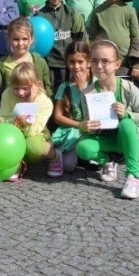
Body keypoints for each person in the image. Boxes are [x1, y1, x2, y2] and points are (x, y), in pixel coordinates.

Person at [76, 40, 139, 200]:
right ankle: (109, 161)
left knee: (127, 124)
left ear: (117, 64)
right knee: (83, 147)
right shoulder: (88, 93)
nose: (99, 66)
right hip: (105, 139)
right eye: (94, 61)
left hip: (128, 138)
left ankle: (133, 177)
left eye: (105, 61)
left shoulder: (128, 88)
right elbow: (88, 123)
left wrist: (127, 114)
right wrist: (84, 125)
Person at [0, 62, 58, 180]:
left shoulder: (45, 102)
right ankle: (16, 162)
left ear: (37, 85)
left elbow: (34, 131)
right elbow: (1, 120)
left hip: (36, 134)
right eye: (16, 88)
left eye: (25, 88)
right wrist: (16, 120)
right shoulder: (7, 94)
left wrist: (30, 103)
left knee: (34, 147)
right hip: (13, 133)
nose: (20, 92)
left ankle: (55, 157)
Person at [86, 0, 139, 80]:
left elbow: (136, 39)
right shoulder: (97, 11)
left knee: (123, 87)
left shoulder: (129, 11)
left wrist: (137, 64)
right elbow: (92, 38)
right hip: (103, 62)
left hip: (124, 62)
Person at [37, 0, 86, 93]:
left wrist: (80, 61)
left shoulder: (72, 14)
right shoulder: (39, 16)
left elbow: (81, 38)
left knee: (69, 94)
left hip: (68, 64)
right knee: (50, 93)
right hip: (48, 64)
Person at [50, 41, 92, 176]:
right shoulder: (65, 87)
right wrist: (79, 125)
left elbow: (96, 112)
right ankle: (76, 154)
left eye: (80, 62)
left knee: (92, 158)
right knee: (68, 166)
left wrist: (83, 89)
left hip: (91, 131)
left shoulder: (96, 84)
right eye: (72, 62)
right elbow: (57, 117)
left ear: (89, 62)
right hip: (73, 131)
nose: (76, 66)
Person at [0, 17, 51, 95]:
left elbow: (47, 90)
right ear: (9, 39)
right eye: (16, 39)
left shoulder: (39, 62)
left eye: (25, 39)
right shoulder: (1, 65)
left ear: (32, 39)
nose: (20, 43)